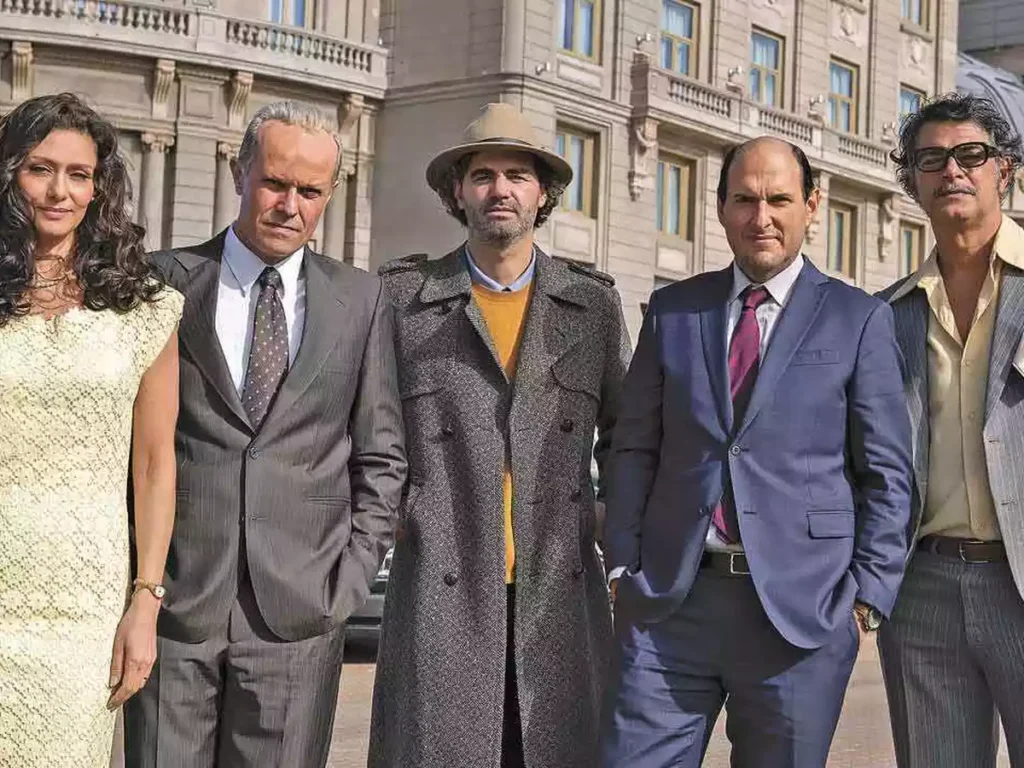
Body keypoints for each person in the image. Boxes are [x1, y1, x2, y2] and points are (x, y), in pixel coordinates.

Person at [602, 136, 914, 768]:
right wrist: (621, 564)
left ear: (812, 206)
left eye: (778, 199)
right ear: (720, 208)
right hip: (670, 606)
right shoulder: (674, 310)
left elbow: (887, 472)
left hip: (802, 616)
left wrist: (866, 601)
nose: (761, 216)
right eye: (744, 199)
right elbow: (634, 445)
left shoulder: (857, 319)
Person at [123, 101, 406, 767]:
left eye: (310, 191)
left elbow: (382, 456)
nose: (289, 205)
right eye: (275, 183)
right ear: (238, 171)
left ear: (330, 195)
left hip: (300, 617)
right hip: (175, 607)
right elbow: (129, 446)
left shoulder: (362, 302)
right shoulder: (160, 284)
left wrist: (346, 582)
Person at [370, 102, 630, 768]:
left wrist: (608, 520)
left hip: (558, 595)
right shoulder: (404, 300)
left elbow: (627, 437)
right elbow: (368, 427)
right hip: (441, 591)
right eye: (483, 174)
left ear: (544, 193)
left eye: (518, 173)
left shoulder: (591, 305)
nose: (500, 189)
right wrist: (401, 510)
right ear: (458, 190)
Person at [0, 93, 181, 767]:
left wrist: (146, 600)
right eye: (40, 169)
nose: (60, 191)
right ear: (10, 176)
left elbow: (157, 463)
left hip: (84, 605)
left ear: (100, 187)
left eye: (79, 174)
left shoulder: (143, 306)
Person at [878, 92, 1024, 768]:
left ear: (1007, 172)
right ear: (911, 182)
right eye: (931, 160)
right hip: (924, 592)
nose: (953, 172)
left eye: (972, 155)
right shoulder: (887, 315)